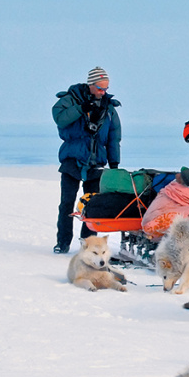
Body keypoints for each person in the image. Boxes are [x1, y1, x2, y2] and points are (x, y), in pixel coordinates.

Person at [51, 66, 122, 254]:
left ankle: (88, 246)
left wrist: (114, 164)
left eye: (105, 88)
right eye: (99, 88)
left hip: (96, 163)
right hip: (72, 161)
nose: (102, 92)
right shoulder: (69, 100)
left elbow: (114, 137)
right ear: (91, 84)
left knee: (94, 206)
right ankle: (63, 242)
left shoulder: (109, 108)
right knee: (67, 203)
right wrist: (81, 108)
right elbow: (60, 118)